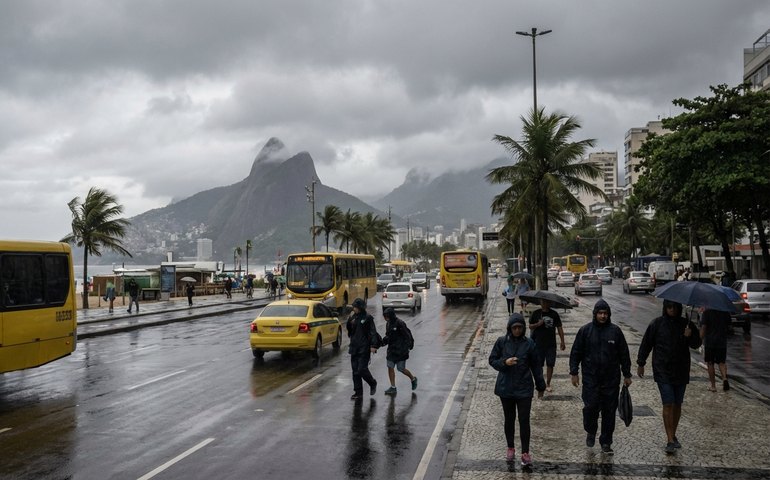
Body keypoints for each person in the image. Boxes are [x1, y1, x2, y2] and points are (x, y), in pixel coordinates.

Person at [637, 299, 702, 454]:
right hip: (662, 369)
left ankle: (673, 433)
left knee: (677, 404)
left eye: (674, 307)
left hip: (681, 369)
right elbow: (647, 343)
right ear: (665, 308)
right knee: (668, 403)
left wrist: (690, 335)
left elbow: (696, 344)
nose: (671, 310)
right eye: (669, 307)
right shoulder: (657, 324)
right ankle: (670, 439)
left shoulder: (686, 324)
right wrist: (641, 362)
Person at [569, 299, 633, 454]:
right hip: (591, 379)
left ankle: (606, 441)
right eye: (600, 313)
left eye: (605, 313)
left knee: (609, 412)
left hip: (611, 380)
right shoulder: (585, 331)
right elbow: (576, 352)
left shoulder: (615, 332)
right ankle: (591, 431)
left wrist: (627, 373)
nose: (603, 316)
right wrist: (574, 372)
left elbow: (624, 353)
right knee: (590, 408)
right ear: (595, 314)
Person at [488, 313, 546, 466]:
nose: (518, 330)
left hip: (524, 389)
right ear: (510, 328)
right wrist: (504, 363)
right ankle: (510, 447)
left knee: (524, 420)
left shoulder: (529, 344)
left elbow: (536, 366)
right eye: (515, 328)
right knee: (509, 419)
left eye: (520, 327)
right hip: (505, 388)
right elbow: (492, 360)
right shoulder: (502, 342)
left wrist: (541, 386)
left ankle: (525, 452)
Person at [529, 299, 566, 392]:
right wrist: (538, 324)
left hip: (551, 344)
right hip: (538, 344)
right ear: (540, 302)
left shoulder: (554, 314)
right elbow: (530, 326)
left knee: (550, 364)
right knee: (539, 365)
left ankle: (548, 383)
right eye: (543, 302)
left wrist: (562, 341)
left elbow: (559, 327)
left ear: (550, 303)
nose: (545, 304)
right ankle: (540, 383)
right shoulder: (536, 313)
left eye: (547, 302)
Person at [346, 298, 379, 400]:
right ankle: (358, 392)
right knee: (355, 371)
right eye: (353, 307)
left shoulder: (368, 318)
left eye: (355, 307)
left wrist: (373, 346)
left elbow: (373, 332)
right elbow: (349, 330)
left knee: (362, 369)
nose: (354, 309)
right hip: (354, 347)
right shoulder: (353, 317)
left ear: (360, 308)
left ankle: (372, 382)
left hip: (364, 348)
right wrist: (349, 320)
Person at [380, 308, 417, 395]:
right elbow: (388, 336)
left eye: (387, 316)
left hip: (401, 350)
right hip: (391, 350)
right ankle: (393, 387)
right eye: (385, 317)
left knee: (401, 368)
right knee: (390, 367)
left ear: (391, 316)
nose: (385, 318)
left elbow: (408, 335)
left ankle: (413, 379)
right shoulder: (388, 324)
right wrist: (381, 343)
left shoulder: (400, 323)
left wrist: (409, 346)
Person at [699, 308, 731, 392]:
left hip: (710, 342)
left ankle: (713, 386)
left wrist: (699, 339)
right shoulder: (725, 312)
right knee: (722, 362)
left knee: (710, 363)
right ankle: (724, 378)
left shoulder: (706, 313)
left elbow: (704, 327)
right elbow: (729, 326)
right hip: (722, 341)